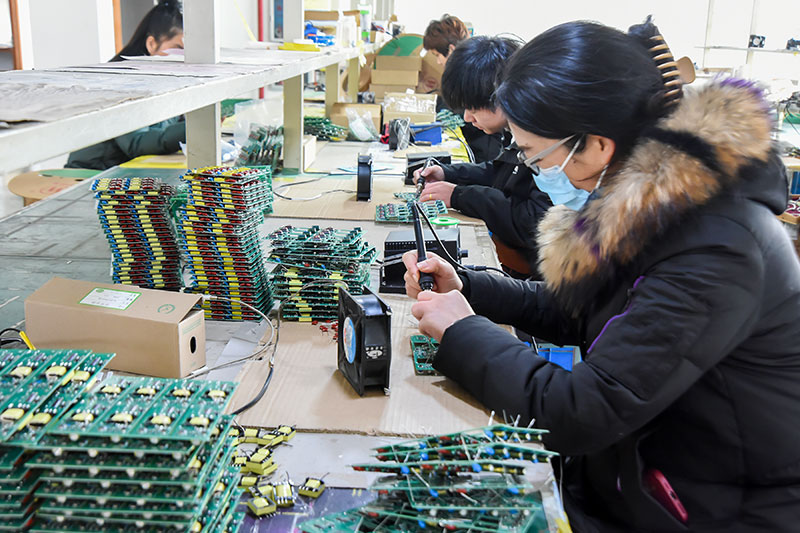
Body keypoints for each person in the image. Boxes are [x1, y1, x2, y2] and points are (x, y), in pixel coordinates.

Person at [404, 17, 800, 532]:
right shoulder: (647, 204)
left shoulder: (718, 247)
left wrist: (463, 332)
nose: (535, 171)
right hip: (637, 476)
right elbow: (585, 308)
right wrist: (470, 288)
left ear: (595, 145)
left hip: (706, 511)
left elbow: (582, 412)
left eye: (534, 155)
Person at [414, 36, 551, 277]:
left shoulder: (546, 143)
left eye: (474, 108)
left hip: (533, 273)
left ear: (504, 95)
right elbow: (501, 172)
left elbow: (532, 222)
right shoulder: (519, 130)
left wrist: (459, 195)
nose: (467, 118)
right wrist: (447, 173)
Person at [66, 0, 185, 170]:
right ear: (151, 44)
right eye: (177, 48)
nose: (181, 57)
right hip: (91, 173)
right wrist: (194, 128)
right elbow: (137, 143)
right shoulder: (120, 82)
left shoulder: (166, 81)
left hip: (123, 170)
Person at [422, 15, 501, 163]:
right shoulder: (467, 72)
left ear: (451, 50)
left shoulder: (473, 74)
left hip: (485, 148)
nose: (438, 62)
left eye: (437, 55)